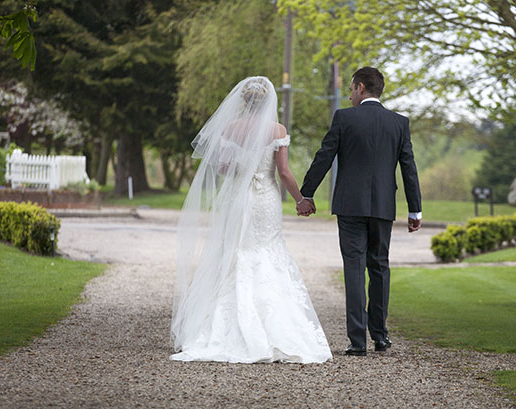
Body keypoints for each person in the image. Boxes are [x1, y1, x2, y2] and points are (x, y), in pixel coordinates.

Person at [170, 76, 332, 364]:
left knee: (235, 252)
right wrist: (300, 199)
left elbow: (221, 167)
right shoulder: (277, 130)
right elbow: (283, 173)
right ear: (269, 101)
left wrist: (242, 169)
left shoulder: (231, 128)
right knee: (267, 251)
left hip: (237, 197)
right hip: (264, 198)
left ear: (244, 101)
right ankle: (275, 328)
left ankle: (222, 329)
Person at [298, 66, 422, 356]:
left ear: (362, 88)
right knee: (379, 266)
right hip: (382, 206)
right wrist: (415, 209)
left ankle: (357, 341)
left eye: (352, 89)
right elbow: (409, 168)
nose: (350, 95)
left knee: (354, 268)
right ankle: (380, 336)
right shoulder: (399, 123)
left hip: (350, 206)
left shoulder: (344, 118)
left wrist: (307, 193)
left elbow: (324, 156)